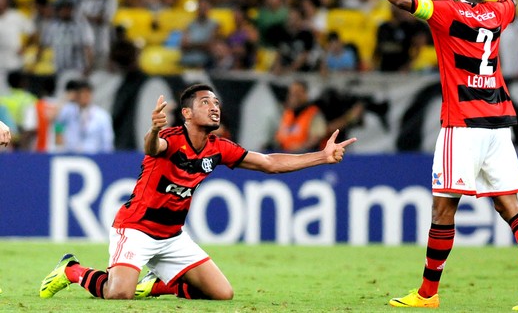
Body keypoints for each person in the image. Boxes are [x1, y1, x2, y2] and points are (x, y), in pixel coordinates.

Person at [345, 0, 518, 310]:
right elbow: (512, 0)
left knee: (443, 209)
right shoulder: (492, 12)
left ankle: (427, 294)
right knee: (510, 205)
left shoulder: (442, 12)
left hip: (461, 124)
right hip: (497, 122)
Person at [39, 83, 355, 300]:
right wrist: (153, 129)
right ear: (187, 113)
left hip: (174, 236)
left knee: (222, 294)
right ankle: (71, 270)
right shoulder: (171, 139)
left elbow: (270, 163)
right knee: (118, 294)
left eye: (216, 102)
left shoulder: (219, 148)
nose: (214, 107)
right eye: (205, 102)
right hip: (136, 228)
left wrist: (321, 156)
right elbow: (153, 146)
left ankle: (154, 287)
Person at [54, 79, 114, 153]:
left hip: (93, 155)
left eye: (87, 93)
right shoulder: (67, 111)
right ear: (77, 95)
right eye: (82, 93)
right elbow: (58, 126)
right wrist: (59, 147)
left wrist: (106, 156)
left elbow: (107, 140)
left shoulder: (102, 116)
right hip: (71, 154)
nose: (85, 96)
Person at [273, 80, 327, 153]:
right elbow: (279, 136)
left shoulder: (313, 113)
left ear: (305, 94)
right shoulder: (287, 113)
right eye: (291, 93)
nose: (294, 96)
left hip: (306, 156)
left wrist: (300, 147)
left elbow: (316, 138)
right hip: (285, 156)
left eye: (297, 93)